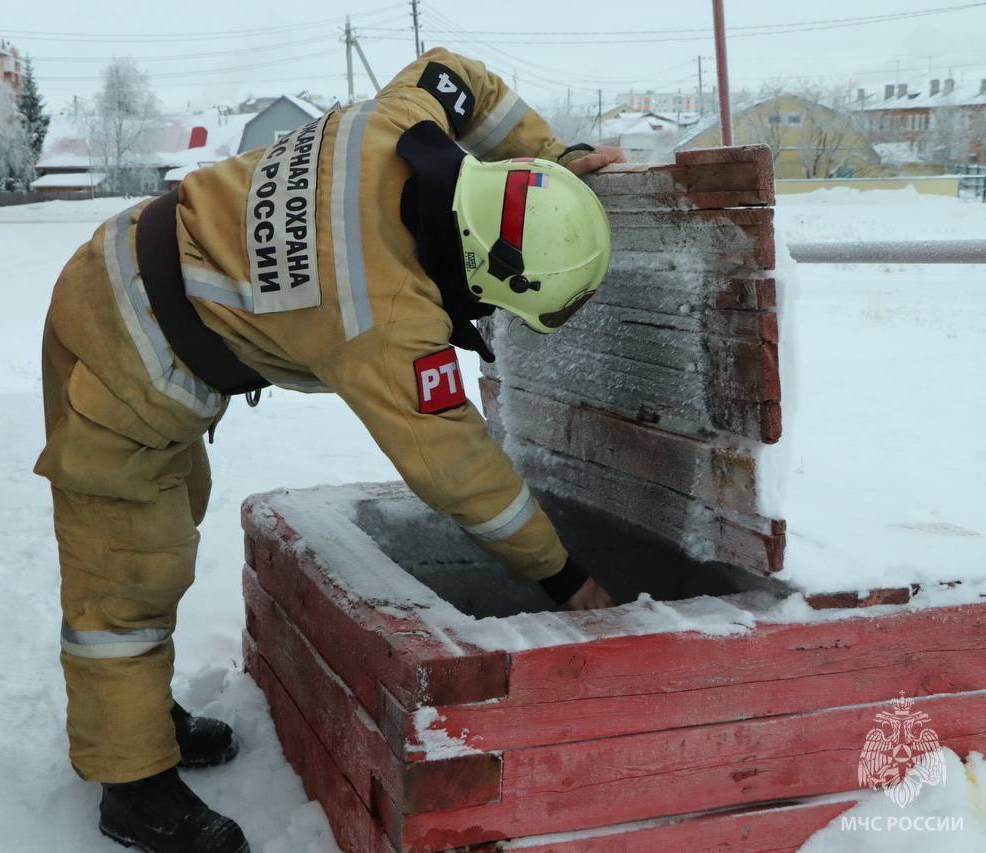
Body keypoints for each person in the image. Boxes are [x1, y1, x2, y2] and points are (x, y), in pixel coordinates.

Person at [34, 47, 624, 853]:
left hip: (129, 274)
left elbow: (459, 75)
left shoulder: (399, 121)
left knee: (167, 520)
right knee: (129, 560)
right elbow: (461, 472)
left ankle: (137, 711)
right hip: (123, 344)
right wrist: (567, 579)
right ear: (491, 268)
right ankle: (130, 782)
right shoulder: (385, 316)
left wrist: (553, 158)